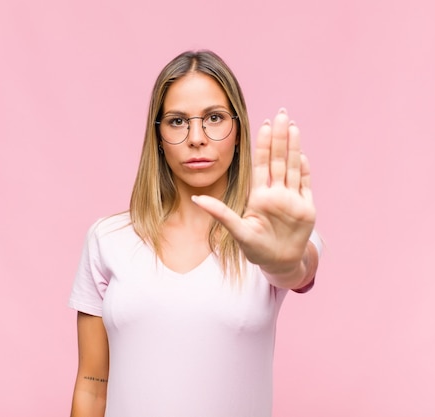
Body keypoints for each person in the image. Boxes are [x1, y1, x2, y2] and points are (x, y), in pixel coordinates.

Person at [68, 50, 322, 417]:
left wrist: (285, 262)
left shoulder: (273, 233)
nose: (197, 138)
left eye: (215, 118)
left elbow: (297, 267)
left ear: (238, 131)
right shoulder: (108, 239)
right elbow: (92, 388)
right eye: (177, 121)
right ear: (157, 135)